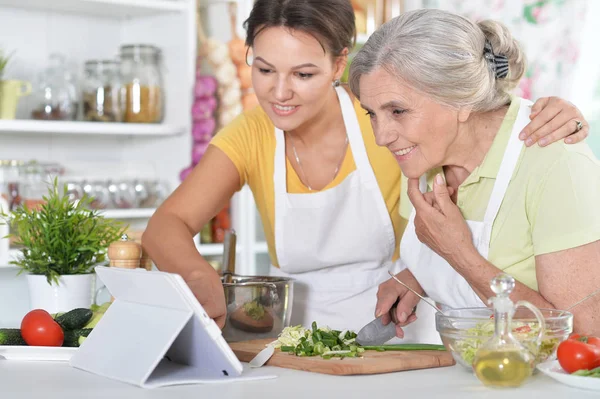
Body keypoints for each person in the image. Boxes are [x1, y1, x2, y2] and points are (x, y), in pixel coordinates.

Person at [142, 0, 589, 336]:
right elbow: (168, 223)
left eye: (303, 74)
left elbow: (582, 336)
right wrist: (202, 280)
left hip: (410, 339)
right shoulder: (260, 131)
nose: (280, 93)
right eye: (263, 69)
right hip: (311, 338)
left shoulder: (396, 121)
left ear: (338, 64)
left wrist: (555, 110)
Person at [348, 8, 600, 337]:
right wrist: (419, 276)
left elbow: (584, 335)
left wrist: (460, 254)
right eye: (373, 114)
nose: (382, 137)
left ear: (461, 100)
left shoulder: (553, 159)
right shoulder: (422, 158)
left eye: (397, 110)